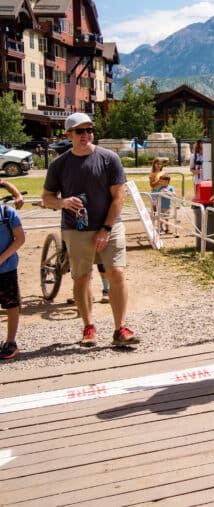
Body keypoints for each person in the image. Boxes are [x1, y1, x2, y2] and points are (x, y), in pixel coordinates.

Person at [41, 112, 140, 348]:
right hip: (76, 229)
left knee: (117, 273)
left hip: (110, 225)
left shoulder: (109, 158)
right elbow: (47, 198)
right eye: (79, 131)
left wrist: (106, 228)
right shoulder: (59, 164)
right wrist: (63, 202)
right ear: (68, 134)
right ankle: (88, 327)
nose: (85, 135)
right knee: (81, 276)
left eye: (89, 130)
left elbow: (119, 196)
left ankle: (121, 328)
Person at [0, 200, 26, 360]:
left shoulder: (7, 213)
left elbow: (20, 238)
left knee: (11, 304)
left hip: (7, 268)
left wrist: (2, 258)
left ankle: (11, 341)